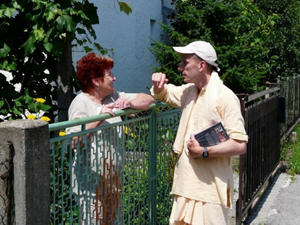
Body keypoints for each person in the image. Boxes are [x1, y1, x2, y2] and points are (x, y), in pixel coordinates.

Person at [151, 41, 248, 225]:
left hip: (210, 191)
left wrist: (204, 151)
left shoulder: (225, 97)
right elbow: (165, 93)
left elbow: (239, 144)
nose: (180, 68)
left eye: (185, 63)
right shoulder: (189, 91)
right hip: (185, 185)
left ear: (202, 65)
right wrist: (158, 85)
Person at [66, 52, 154, 225]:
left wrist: (130, 104)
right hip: (90, 186)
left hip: (112, 183)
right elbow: (74, 141)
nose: (114, 78)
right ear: (95, 80)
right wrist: (98, 117)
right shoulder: (80, 103)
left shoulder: (113, 97)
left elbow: (149, 99)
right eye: (110, 75)